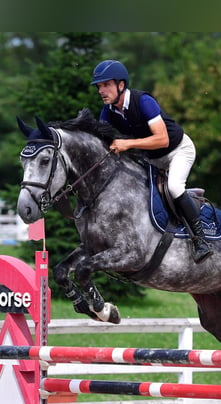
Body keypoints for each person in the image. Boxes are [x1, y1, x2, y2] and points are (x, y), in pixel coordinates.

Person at [90, 59, 212, 263]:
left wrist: (127, 144)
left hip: (178, 150)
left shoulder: (144, 101)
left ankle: (201, 240)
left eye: (106, 85)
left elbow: (162, 139)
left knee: (174, 187)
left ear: (121, 85)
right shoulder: (108, 112)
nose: (101, 90)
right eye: (99, 86)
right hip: (153, 158)